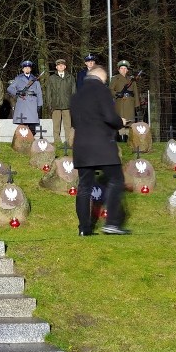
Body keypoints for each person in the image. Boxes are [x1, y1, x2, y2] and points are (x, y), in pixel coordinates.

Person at [71, 67, 130, 236]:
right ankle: (111, 223)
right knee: (116, 180)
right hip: (102, 146)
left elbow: (75, 122)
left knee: (84, 187)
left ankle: (84, 228)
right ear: (100, 77)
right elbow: (110, 117)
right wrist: (121, 122)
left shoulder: (76, 97)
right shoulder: (102, 91)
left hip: (81, 146)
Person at [7, 60, 43, 135]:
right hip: (22, 103)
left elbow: (39, 93)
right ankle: (22, 141)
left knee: (32, 126)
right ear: (23, 69)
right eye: (25, 68)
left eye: (28, 68)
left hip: (33, 102)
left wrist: (39, 104)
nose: (27, 69)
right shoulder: (18, 79)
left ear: (30, 69)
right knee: (23, 125)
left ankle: (31, 140)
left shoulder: (35, 80)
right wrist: (17, 92)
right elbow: (9, 88)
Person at [46, 58, 76, 143]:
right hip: (55, 105)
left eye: (62, 65)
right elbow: (48, 92)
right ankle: (57, 141)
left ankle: (68, 141)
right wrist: (49, 104)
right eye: (59, 65)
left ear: (65, 66)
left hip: (67, 105)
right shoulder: (51, 78)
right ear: (56, 67)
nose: (61, 66)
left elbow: (74, 92)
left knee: (68, 125)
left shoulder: (70, 78)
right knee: (56, 125)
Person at [110, 59, 139, 141]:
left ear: (127, 70)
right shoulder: (115, 79)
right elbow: (110, 90)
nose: (123, 70)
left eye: (125, 68)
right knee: (121, 122)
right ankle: (121, 139)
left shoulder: (131, 79)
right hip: (120, 103)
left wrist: (137, 105)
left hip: (130, 103)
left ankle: (130, 140)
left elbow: (135, 92)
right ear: (119, 70)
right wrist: (117, 94)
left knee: (130, 123)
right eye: (122, 68)